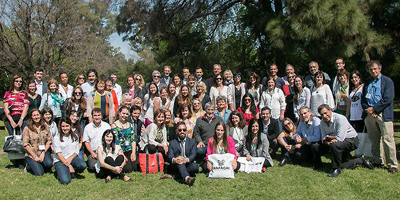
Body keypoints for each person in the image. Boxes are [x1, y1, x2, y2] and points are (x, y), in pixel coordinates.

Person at [361, 60, 398, 173]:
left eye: (375, 69)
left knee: (387, 139)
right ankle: (378, 161)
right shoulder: (367, 83)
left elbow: (388, 98)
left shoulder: (387, 81)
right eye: (371, 69)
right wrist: (367, 108)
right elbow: (363, 99)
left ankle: (392, 164)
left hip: (383, 114)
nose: (373, 71)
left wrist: (375, 109)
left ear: (379, 69)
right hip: (370, 115)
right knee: (374, 139)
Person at [317, 104, 373, 177]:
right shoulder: (322, 122)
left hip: (351, 140)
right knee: (342, 164)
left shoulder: (340, 118)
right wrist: (327, 142)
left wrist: (330, 139)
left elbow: (340, 138)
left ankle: (335, 169)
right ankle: (360, 160)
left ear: (330, 110)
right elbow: (323, 138)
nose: (324, 116)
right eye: (322, 115)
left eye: (325, 113)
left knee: (335, 145)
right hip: (335, 141)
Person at [53, 118, 87, 184]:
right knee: (65, 181)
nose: (65, 128)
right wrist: (69, 166)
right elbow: (58, 154)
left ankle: (66, 171)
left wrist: (70, 159)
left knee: (82, 165)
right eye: (63, 126)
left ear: (70, 126)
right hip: (60, 160)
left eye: (67, 126)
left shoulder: (75, 136)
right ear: (60, 127)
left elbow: (76, 150)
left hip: (71, 159)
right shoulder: (57, 138)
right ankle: (62, 171)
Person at [22, 109, 53, 175]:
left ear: (40, 115)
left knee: (49, 164)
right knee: (39, 173)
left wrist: (43, 153)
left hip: (43, 151)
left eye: (37, 115)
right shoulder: (27, 128)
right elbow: (25, 144)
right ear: (31, 117)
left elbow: (49, 141)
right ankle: (30, 165)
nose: (36, 117)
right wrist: (35, 156)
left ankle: (42, 163)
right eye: (34, 115)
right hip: (32, 153)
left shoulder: (45, 126)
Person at [111, 106, 137, 172]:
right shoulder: (114, 125)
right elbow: (116, 142)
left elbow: (133, 140)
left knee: (136, 166)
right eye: (123, 113)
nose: (125, 115)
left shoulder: (130, 125)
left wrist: (133, 153)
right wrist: (122, 155)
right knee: (128, 169)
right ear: (119, 113)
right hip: (120, 151)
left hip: (129, 150)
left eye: (126, 114)